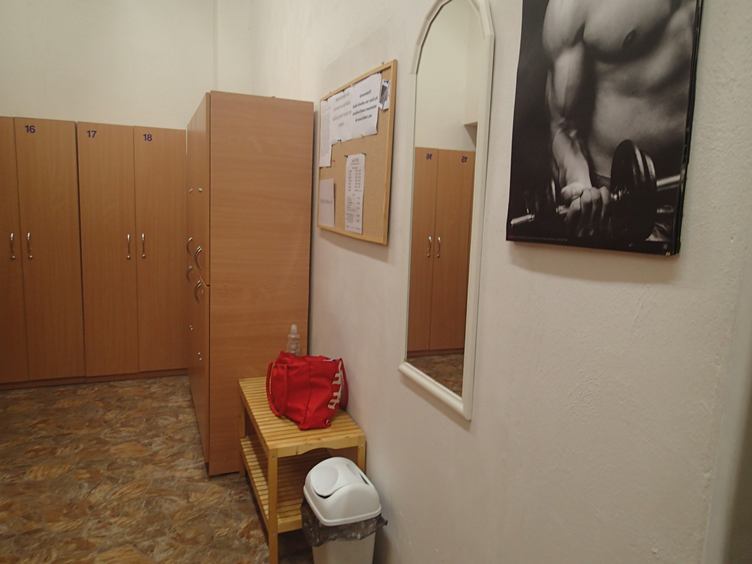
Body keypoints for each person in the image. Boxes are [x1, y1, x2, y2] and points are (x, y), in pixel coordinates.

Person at [543, 0, 696, 239]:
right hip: (619, 201)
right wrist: (582, 189)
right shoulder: (571, 7)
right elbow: (563, 127)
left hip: (706, 186)